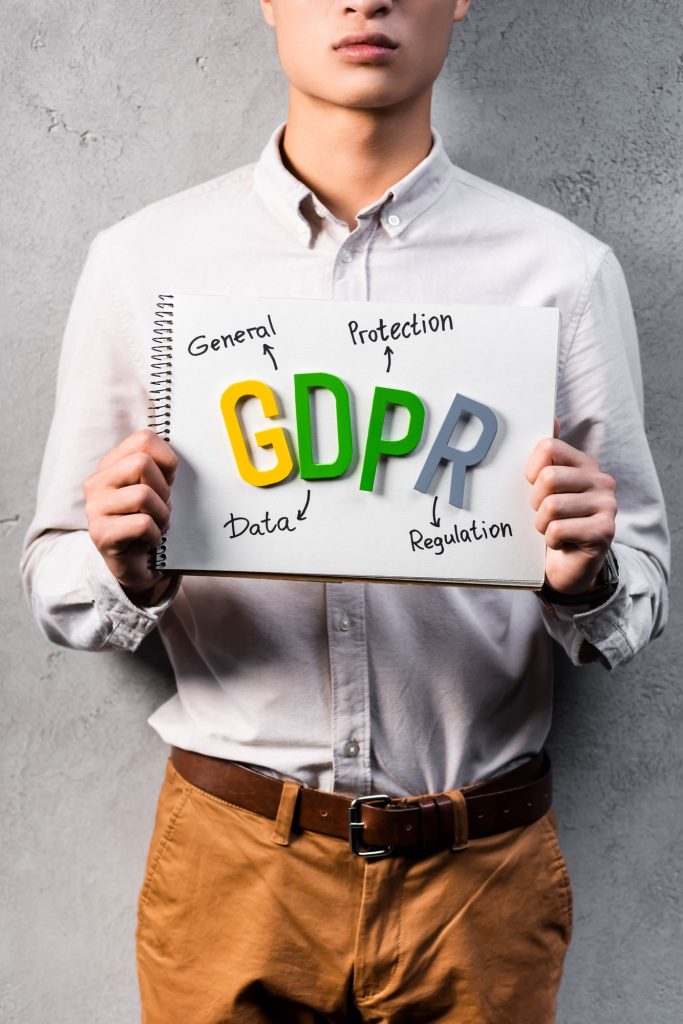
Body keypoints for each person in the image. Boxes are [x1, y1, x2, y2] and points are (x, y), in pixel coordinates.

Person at [21, 1, 669, 1021]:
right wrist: (122, 566)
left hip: (479, 870)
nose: (365, 0)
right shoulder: (145, 262)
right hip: (234, 859)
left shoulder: (560, 270)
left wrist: (589, 575)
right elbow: (54, 578)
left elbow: (636, 601)